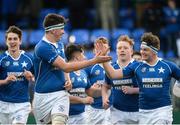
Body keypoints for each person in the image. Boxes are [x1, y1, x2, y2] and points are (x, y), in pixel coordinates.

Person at [32, 13, 111, 125]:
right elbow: (65, 66)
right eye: (61, 28)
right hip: (42, 97)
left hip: (60, 95)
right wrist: (95, 60)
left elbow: (64, 67)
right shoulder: (42, 47)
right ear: (53, 30)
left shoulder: (59, 44)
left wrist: (67, 78)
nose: (64, 32)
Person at [97, 32, 180, 124]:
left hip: (163, 111)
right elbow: (113, 74)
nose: (141, 52)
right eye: (141, 49)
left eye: (145, 50)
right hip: (143, 113)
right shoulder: (136, 66)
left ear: (154, 51)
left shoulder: (168, 66)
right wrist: (103, 58)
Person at [0, 25, 34, 124]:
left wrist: (31, 77)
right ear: (6, 41)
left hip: (22, 105)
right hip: (3, 104)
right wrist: (5, 81)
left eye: (15, 39)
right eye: (9, 39)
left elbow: (38, 79)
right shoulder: (1, 59)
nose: (12, 41)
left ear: (20, 41)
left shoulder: (29, 59)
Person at [102, 35, 139, 124]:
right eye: (119, 48)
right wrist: (105, 98)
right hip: (117, 112)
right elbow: (106, 85)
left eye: (125, 48)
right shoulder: (111, 67)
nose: (122, 50)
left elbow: (148, 88)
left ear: (131, 51)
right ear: (116, 51)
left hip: (138, 112)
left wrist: (134, 90)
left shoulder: (139, 66)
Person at [65, 44, 103, 124]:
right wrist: (83, 100)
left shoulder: (82, 72)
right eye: (83, 54)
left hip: (82, 115)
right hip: (66, 116)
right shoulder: (64, 72)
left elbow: (89, 91)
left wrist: (106, 89)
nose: (85, 57)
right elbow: (62, 97)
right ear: (77, 55)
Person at [85, 37, 111, 125]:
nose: (101, 51)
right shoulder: (89, 67)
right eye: (98, 48)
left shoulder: (115, 67)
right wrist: (91, 89)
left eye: (104, 48)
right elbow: (83, 87)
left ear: (109, 50)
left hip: (110, 109)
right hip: (93, 109)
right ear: (94, 51)